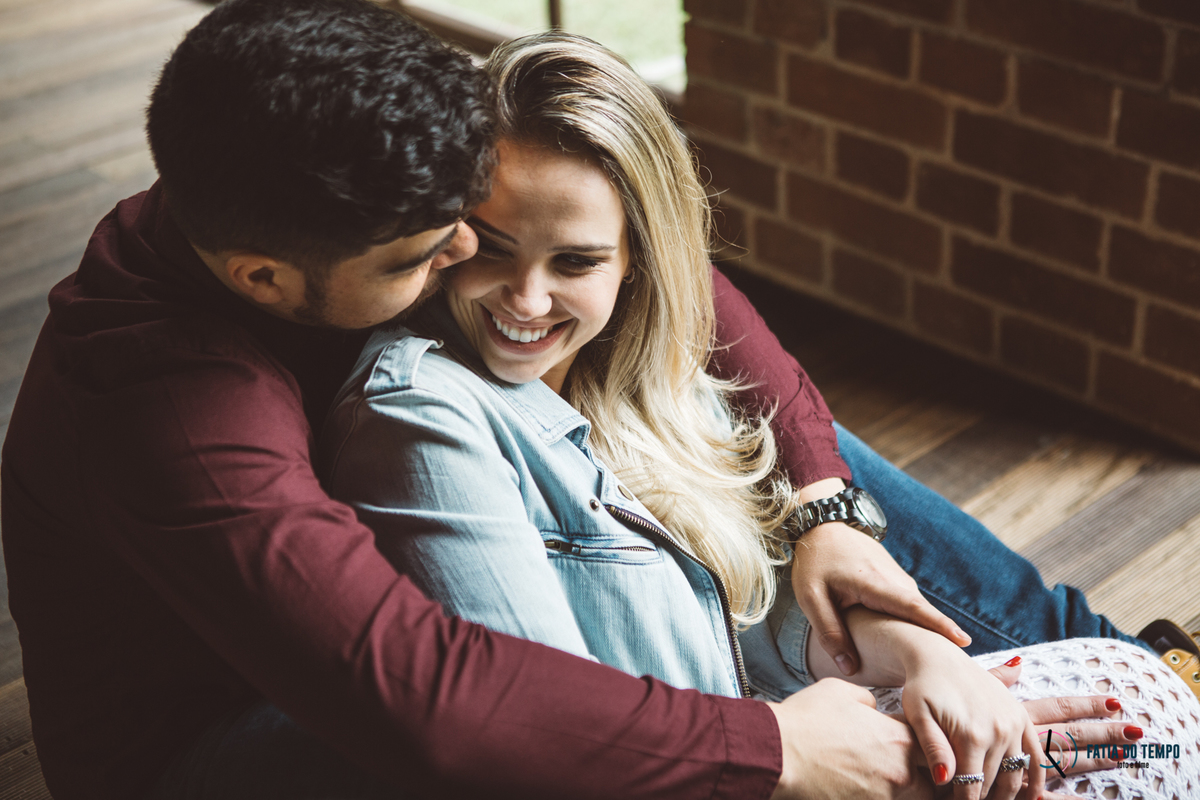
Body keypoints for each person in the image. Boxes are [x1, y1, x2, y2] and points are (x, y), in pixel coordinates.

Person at [0, 0, 1182, 797]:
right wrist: (774, 748)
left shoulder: (328, 187)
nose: (472, 257)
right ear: (266, 281)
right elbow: (430, 697)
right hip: (245, 731)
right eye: (434, 252)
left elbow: (674, 279)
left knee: (748, 447)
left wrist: (825, 507)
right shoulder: (175, 416)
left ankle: (1125, 670)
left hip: (394, 644)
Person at [321, 32, 1200, 800]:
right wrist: (798, 749)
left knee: (1141, 696)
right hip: (736, 766)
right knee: (1143, 724)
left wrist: (916, 653)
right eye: (494, 249)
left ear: (636, 264)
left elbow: (750, 606)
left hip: (794, 709)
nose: (526, 298)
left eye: (578, 260)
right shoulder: (426, 411)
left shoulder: (635, 372)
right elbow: (547, 734)